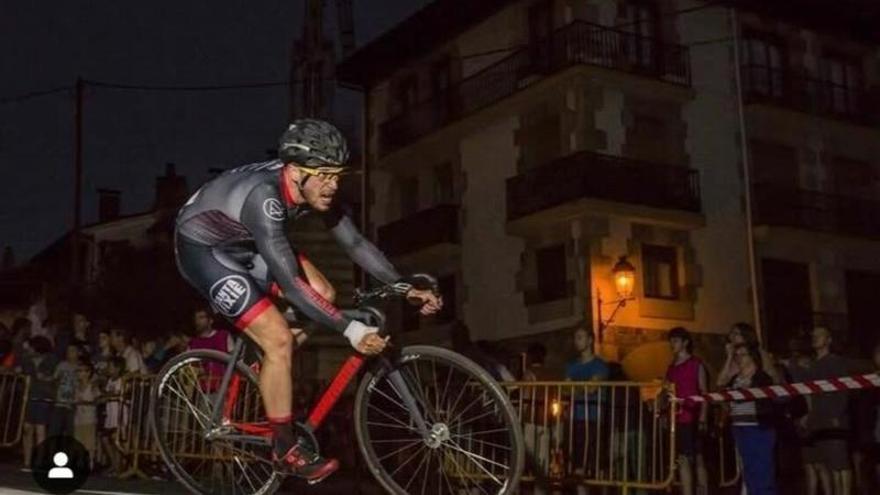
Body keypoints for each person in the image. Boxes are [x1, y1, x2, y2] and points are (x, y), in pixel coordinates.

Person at [173, 119, 442, 482]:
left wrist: (403, 287)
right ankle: (285, 450)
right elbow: (293, 285)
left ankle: (267, 364)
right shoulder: (266, 198)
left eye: (337, 175)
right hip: (205, 251)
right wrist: (351, 330)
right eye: (324, 176)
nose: (333, 185)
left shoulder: (313, 186)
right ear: (296, 172)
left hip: (246, 242)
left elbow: (355, 243)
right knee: (280, 338)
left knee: (325, 295)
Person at [803, 325, 852, 495]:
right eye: (813, 334)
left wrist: (837, 413)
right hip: (818, 421)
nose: (815, 337)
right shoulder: (811, 365)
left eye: (820, 334)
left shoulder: (835, 361)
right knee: (826, 464)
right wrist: (809, 415)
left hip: (833, 420)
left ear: (829, 340)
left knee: (840, 463)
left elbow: (844, 389)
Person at [726, 344, 778, 495]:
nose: (739, 358)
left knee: (763, 471)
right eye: (737, 355)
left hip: (758, 428)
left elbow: (767, 400)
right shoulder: (735, 379)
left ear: (752, 357)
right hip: (739, 427)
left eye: (743, 354)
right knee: (749, 470)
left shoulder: (762, 378)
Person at [664, 327, 708, 495]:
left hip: (692, 415)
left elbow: (704, 392)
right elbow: (666, 390)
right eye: (671, 341)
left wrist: (703, 416)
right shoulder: (671, 367)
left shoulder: (696, 364)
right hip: (677, 417)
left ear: (685, 343)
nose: (672, 344)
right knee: (683, 458)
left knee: (697, 457)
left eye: (675, 341)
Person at [565, 326, 609, 492]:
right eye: (575, 337)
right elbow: (566, 389)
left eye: (580, 337)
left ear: (590, 340)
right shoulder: (571, 365)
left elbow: (592, 387)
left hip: (594, 418)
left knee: (596, 462)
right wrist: (581, 387)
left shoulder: (599, 365)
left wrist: (575, 387)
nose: (576, 341)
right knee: (578, 462)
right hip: (576, 417)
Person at [18, 336, 55, 471]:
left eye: (32, 347)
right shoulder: (26, 360)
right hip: (29, 397)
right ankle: (27, 461)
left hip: (43, 398)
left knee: (40, 429)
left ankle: (40, 461)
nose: (29, 349)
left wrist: (47, 378)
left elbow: (56, 377)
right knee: (27, 429)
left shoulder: (51, 360)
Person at [717, 322, 781, 388]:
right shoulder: (733, 355)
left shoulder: (759, 353)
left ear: (745, 336)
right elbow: (721, 382)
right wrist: (729, 356)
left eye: (736, 333)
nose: (731, 336)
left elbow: (773, 377)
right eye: (731, 333)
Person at [100, 357, 125, 476]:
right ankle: (114, 464)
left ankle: (118, 466)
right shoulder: (110, 380)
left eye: (110, 366)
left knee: (116, 440)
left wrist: (107, 396)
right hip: (110, 416)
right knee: (105, 439)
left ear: (117, 368)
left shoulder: (121, 380)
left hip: (119, 415)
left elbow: (118, 393)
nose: (108, 369)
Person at [50, 345, 80, 438]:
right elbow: (54, 380)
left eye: (72, 350)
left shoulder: (81, 367)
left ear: (78, 353)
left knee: (71, 431)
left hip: (73, 403)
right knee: (54, 431)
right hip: (59, 402)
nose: (69, 353)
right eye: (68, 351)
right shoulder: (61, 365)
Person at [74, 361, 99, 468]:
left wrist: (85, 402)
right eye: (78, 371)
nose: (79, 373)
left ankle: (90, 463)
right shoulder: (77, 387)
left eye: (81, 371)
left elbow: (97, 401)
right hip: (78, 418)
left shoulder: (92, 386)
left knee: (89, 442)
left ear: (88, 373)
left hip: (89, 418)